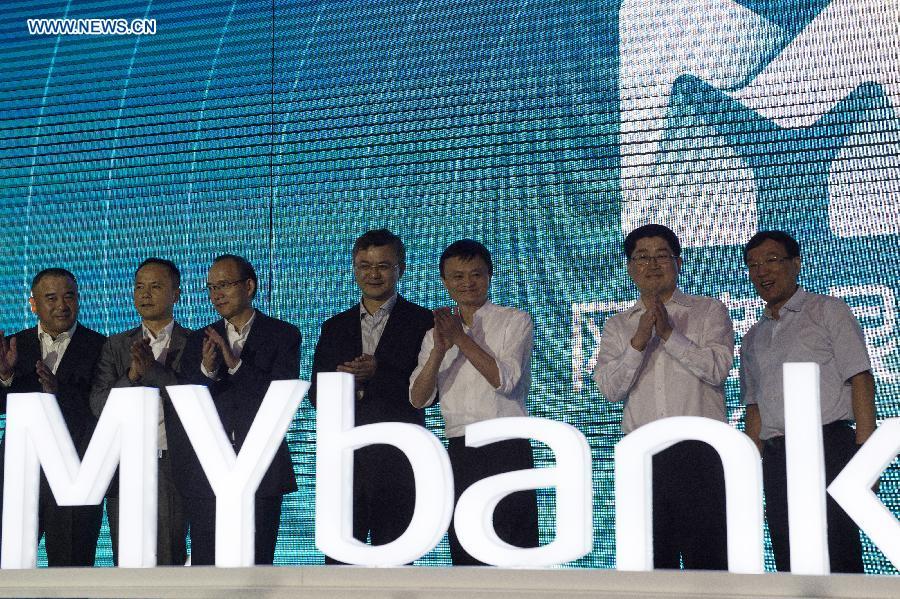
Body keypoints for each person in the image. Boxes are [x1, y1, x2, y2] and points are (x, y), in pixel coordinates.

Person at [593, 224, 733, 570]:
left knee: (709, 563)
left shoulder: (708, 311)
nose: (652, 264)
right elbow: (610, 389)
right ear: (630, 268)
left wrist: (669, 333)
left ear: (678, 263)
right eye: (642, 257)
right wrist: (638, 342)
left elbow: (717, 369)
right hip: (642, 456)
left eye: (661, 256)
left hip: (700, 453)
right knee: (650, 565)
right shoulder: (618, 325)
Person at [740, 230, 876, 573]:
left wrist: (868, 458)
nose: (762, 271)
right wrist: (750, 475)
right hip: (777, 457)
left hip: (828, 446)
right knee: (788, 556)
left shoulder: (827, 310)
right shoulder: (752, 337)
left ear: (796, 263)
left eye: (772, 260)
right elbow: (754, 409)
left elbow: (860, 378)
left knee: (839, 552)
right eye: (753, 265)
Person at [166, 254, 301, 565]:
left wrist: (236, 364)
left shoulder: (283, 334)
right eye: (211, 288)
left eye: (224, 285)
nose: (217, 295)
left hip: (261, 470)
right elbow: (188, 400)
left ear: (249, 286)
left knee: (257, 564)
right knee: (207, 563)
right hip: (209, 473)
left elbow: (281, 395)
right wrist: (207, 369)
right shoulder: (199, 339)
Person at [410, 239, 538, 565]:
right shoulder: (433, 335)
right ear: (444, 282)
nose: (467, 283)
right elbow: (418, 399)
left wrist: (461, 339)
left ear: (490, 275)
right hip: (460, 448)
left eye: (476, 274)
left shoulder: (514, 320)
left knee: (514, 548)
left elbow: (504, 380)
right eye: (457, 276)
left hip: (506, 445)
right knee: (466, 549)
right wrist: (439, 350)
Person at [310, 229, 433, 561]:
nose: (373, 274)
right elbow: (316, 396)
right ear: (354, 269)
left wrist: (380, 373)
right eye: (364, 266)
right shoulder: (334, 327)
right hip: (345, 463)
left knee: (395, 561)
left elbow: (431, 393)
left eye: (383, 266)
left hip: (398, 461)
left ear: (400, 269)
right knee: (339, 566)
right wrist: (343, 384)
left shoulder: (423, 321)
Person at [0, 268, 105, 566]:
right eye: (51, 298)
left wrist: (58, 393)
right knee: (9, 566)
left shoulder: (100, 346)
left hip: (75, 474)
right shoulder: (12, 346)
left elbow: (102, 408)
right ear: (33, 304)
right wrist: (5, 376)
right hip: (18, 475)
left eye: (69, 296)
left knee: (71, 567)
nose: (62, 305)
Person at [89, 258, 190, 566]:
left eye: (155, 286)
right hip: (126, 464)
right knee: (127, 558)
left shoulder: (194, 341)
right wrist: (132, 374)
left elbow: (192, 399)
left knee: (169, 555)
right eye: (139, 287)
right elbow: (99, 404)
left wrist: (153, 370)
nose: (145, 294)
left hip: (172, 463)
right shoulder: (116, 345)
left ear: (176, 294)